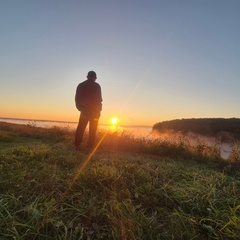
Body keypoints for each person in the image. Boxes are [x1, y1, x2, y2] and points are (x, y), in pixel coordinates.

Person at [74, 71, 103, 151]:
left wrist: (80, 108)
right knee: (92, 130)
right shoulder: (97, 86)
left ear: (87, 76)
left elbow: (77, 99)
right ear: (95, 77)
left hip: (84, 111)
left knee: (80, 128)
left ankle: (77, 146)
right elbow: (99, 99)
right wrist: (99, 110)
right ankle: (89, 147)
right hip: (94, 112)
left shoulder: (81, 85)